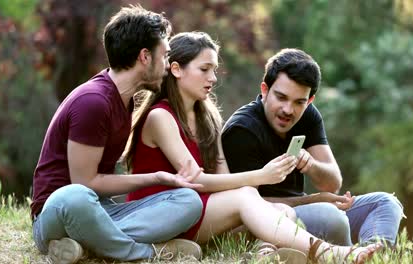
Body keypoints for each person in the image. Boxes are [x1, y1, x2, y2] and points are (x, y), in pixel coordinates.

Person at [123, 31, 381, 263]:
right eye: (205, 69)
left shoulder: (207, 117)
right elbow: (197, 182)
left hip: (196, 214)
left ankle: (264, 256)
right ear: (177, 70)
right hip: (162, 216)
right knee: (247, 194)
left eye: (214, 69)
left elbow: (224, 181)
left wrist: (309, 198)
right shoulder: (161, 117)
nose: (213, 78)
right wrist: (262, 176)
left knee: (279, 211)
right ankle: (331, 253)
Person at [31, 5, 205, 263]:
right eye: (165, 56)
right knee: (76, 196)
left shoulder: (126, 102)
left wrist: (163, 180)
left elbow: (100, 188)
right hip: (57, 213)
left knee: (189, 201)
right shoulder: (93, 102)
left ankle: (87, 245)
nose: (168, 66)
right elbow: (85, 183)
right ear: (145, 56)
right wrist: (155, 177)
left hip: (101, 211)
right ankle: (146, 252)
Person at [221, 48, 404, 247]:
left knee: (386, 203)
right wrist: (315, 200)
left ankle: (373, 256)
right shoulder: (243, 129)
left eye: (299, 102)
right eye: (281, 97)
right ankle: (349, 257)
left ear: (309, 101)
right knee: (331, 217)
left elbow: (332, 183)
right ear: (265, 90)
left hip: (305, 210)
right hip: (272, 220)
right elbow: (249, 206)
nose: (288, 110)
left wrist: (312, 166)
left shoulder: (308, 115)